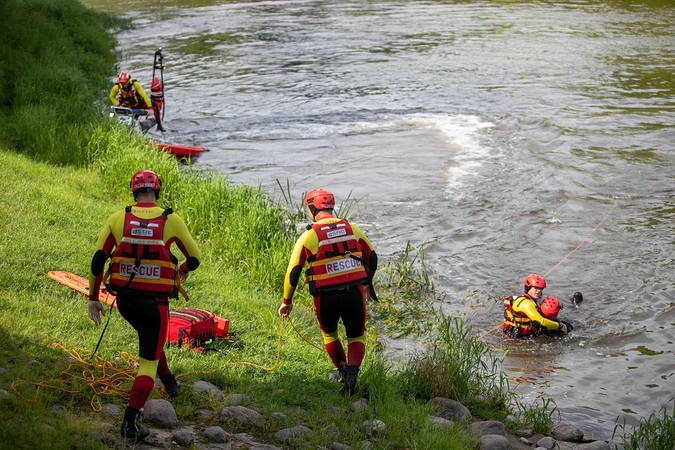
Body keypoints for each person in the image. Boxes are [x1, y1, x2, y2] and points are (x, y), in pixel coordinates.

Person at [87, 170, 201, 440]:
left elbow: (97, 260)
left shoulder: (118, 218)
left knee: (151, 339)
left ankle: (171, 385)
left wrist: (93, 299)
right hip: (154, 304)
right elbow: (195, 258)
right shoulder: (170, 219)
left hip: (125, 301)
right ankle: (130, 421)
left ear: (134, 192)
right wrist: (182, 269)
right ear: (157, 190)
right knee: (147, 361)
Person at [278, 189, 378, 396]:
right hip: (354, 294)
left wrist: (287, 301)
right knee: (356, 337)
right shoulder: (352, 228)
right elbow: (372, 257)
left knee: (330, 334)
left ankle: (342, 373)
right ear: (331, 207)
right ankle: (352, 376)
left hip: (326, 298)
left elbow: (293, 271)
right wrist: (368, 284)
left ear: (313, 209)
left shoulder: (308, 235)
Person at [503, 274, 569, 338]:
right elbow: (541, 322)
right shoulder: (526, 304)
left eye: (541, 289)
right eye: (536, 288)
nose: (539, 291)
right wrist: (560, 326)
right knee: (563, 328)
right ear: (528, 287)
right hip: (515, 337)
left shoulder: (529, 299)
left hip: (521, 333)